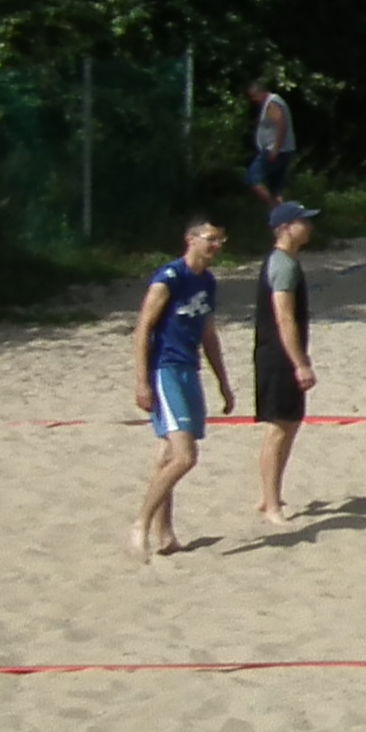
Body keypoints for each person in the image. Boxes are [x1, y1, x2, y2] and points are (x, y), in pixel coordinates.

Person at [131, 219, 237, 561]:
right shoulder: (170, 277)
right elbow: (143, 327)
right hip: (165, 369)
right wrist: (142, 381)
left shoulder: (207, 282)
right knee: (184, 457)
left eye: (220, 240)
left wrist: (223, 382)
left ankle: (166, 534)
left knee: (168, 456)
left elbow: (208, 334)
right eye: (210, 239)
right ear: (190, 239)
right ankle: (141, 524)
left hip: (189, 369)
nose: (216, 246)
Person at [253, 203, 318, 522]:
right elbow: (284, 317)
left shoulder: (288, 261)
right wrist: (299, 363)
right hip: (278, 358)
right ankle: (270, 502)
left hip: (281, 355)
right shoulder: (283, 265)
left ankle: (272, 495)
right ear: (284, 228)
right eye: (302, 222)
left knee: (289, 424)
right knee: (278, 428)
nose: (309, 226)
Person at [243, 80, 295, 215]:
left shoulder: (272, 103)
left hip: (275, 150)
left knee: (252, 178)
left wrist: (275, 148)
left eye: (253, 96)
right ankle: (284, 217)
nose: (253, 100)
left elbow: (281, 125)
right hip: (284, 150)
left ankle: (275, 209)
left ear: (259, 92)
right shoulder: (273, 102)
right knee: (276, 188)